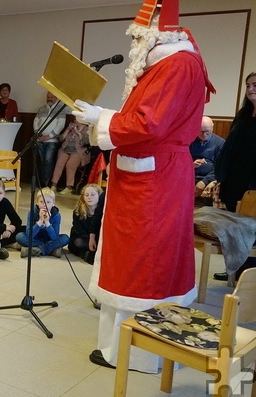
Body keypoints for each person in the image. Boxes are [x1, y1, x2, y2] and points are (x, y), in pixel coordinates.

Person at [72, 0, 215, 372]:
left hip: (155, 181)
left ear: (157, 29)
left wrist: (99, 117)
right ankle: (116, 347)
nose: (135, 41)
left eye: (139, 34)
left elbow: (148, 123)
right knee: (130, 258)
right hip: (148, 174)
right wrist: (103, 117)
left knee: (143, 263)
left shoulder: (178, 64)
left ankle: (137, 355)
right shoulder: (163, 63)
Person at [211, 72, 256, 212]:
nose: (250, 89)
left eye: (255, 85)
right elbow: (231, 144)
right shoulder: (243, 113)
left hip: (252, 178)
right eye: (248, 85)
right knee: (232, 216)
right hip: (234, 175)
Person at [16, 187, 69, 258]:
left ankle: (36, 250)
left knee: (65, 238)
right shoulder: (32, 212)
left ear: (53, 203)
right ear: (37, 202)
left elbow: (54, 237)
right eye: (42, 202)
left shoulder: (56, 215)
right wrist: (40, 221)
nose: (45, 205)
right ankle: (51, 250)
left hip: (49, 239)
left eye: (48, 202)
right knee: (19, 236)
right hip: (36, 238)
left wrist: (47, 223)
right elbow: (29, 234)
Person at [34, 92, 70, 187]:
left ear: (57, 98)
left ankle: (46, 183)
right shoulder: (41, 109)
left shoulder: (61, 110)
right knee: (41, 161)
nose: (50, 99)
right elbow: (36, 121)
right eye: (48, 97)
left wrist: (48, 136)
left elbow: (60, 125)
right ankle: (41, 182)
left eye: (52, 97)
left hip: (52, 141)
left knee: (48, 161)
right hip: (40, 140)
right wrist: (38, 134)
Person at [50, 120, 91, 195]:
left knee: (70, 164)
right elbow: (61, 139)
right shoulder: (70, 127)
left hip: (79, 152)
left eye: (78, 118)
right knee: (59, 163)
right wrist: (68, 129)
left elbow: (86, 142)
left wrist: (78, 132)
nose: (75, 120)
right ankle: (54, 185)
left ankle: (69, 187)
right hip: (65, 150)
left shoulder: (87, 129)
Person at [190, 116, 224, 198]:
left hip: (210, 178)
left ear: (212, 128)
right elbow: (181, 162)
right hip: (190, 175)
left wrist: (205, 181)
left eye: (207, 132)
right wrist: (191, 164)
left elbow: (220, 167)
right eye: (201, 131)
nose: (204, 135)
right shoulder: (190, 140)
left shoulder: (220, 143)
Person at [68, 184, 103, 264]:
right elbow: (79, 231)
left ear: (99, 196)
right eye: (86, 195)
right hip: (82, 238)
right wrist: (91, 240)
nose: (89, 197)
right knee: (78, 242)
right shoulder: (78, 212)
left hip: (95, 239)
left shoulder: (103, 212)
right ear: (83, 197)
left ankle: (89, 253)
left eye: (93, 195)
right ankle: (87, 253)